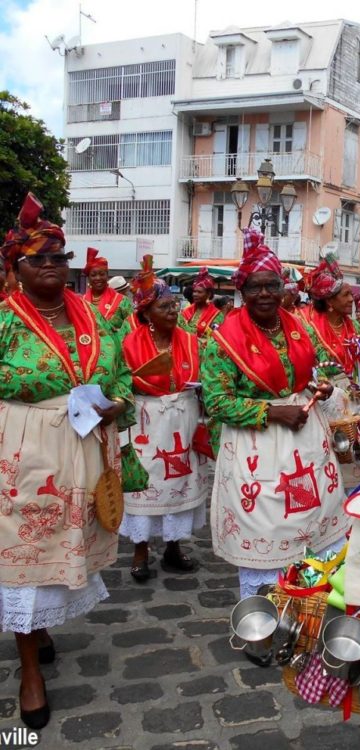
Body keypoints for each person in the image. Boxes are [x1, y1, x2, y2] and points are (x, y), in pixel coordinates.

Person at [0, 194, 133, 728]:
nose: (53, 266)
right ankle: (29, 668)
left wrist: (117, 402)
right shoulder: (6, 321)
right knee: (26, 553)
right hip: (26, 448)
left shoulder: (95, 319)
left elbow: (121, 375)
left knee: (62, 546)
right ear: (16, 267)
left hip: (85, 446)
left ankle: (42, 629)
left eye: (60, 258)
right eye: (39, 259)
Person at [201, 228, 348, 608]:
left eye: (271, 285)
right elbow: (216, 402)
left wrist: (323, 387)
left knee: (312, 518)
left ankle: (309, 607)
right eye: (254, 287)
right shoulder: (224, 339)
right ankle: (262, 617)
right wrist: (271, 411)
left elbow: (320, 369)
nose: (264, 294)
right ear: (241, 290)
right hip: (257, 446)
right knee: (267, 525)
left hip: (304, 440)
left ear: (283, 287)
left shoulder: (298, 326)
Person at [120, 256, 210, 583]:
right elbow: (118, 381)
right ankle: (140, 551)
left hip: (183, 419)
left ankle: (173, 546)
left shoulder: (189, 340)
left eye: (174, 304)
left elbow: (206, 377)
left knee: (179, 482)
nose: (173, 311)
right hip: (146, 423)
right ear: (146, 314)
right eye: (164, 306)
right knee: (144, 484)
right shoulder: (129, 343)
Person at [303, 253, 358, 377]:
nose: (351, 299)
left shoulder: (354, 326)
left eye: (351, 294)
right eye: (346, 295)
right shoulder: (308, 326)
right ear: (329, 301)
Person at [82, 247, 134, 333]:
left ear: (107, 276)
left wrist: (116, 334)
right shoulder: (81, 302)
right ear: (88, 278)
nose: (98, 278)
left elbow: (133, 326)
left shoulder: (122, 301)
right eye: (93, 275)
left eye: (102, 274)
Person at [179, 267, 223, 339]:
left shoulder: (217, 315)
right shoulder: (186, 311)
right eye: (194, 291)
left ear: (208, 294)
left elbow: (215, 338)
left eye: (199, 292)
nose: (195, 294)